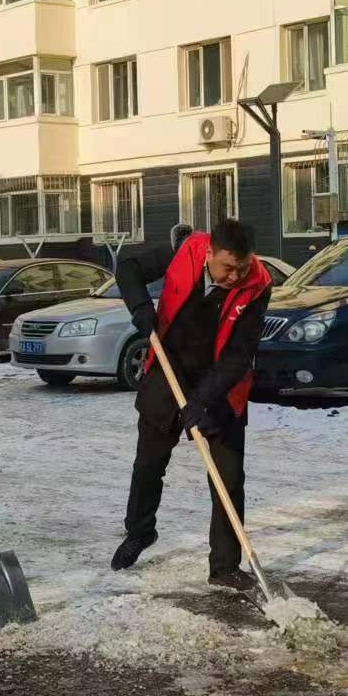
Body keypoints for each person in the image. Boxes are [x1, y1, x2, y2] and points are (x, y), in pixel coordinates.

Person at [111, 217, 273, 590]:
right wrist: (140, 307)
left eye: (241, 268)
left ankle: (226, 565)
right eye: (227, 268)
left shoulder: (259, 284)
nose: (234, 276)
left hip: (220, 384)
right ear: (210, 252)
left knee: (228, 477)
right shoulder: (184, 250)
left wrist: (203, 400)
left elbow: (239, 355)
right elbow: (130, 268)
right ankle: (140, 532)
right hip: (168, 371)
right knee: (149, 463)